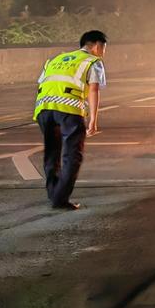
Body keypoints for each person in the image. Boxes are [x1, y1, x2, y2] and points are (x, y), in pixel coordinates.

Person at [34, 30, 107, 211]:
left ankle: (54, 194)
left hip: (43, 109)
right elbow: (93, 89)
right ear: (97, 45)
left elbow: (43, 82)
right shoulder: (93, 62)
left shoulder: (56, 59)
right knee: (72, 156)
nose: (104, 52)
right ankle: (60, 199)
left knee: (51, 153)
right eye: (104, 48)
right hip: (69, 109)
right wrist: (93, 119)